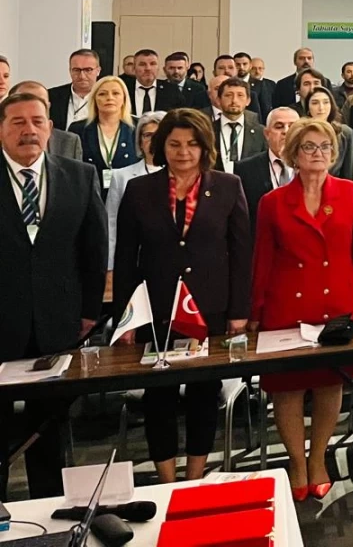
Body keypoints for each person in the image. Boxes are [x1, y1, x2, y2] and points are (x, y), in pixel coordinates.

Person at [111, 107, 250, 482]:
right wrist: (125, 320)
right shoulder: (140, 190)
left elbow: (241, 254)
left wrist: (239, 311)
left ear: (205, 147)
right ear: (162, 146)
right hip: (156, 311)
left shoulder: (228, 186)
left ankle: (194, 478)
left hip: (210, 310)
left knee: (205, 392)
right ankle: (167, 481)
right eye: (174, 144)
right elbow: (125, 258)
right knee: (160, 396)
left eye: (192, 144)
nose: (183, 152)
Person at [250, 118, 353, 500]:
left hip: (337, 304)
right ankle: (296, 462)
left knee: (329, 382)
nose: (318, 154)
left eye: (325, 147)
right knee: (288, 388)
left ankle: (318, 458)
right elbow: (262, 258)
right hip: (287, 306)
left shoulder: (350, 192)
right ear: (293, 154)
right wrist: (255, 310)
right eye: (309, 147)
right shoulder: (272, 202)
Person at [0, 91, 107, 500]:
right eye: (18, 122)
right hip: (1, 323)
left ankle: (48, 511)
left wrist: (89, 312)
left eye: (37, 121)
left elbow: (94, 249)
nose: (29, 130)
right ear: (1, 130)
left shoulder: (79, 175)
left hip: (58, 323)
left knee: (49, 430)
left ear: (50, 127)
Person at [105, 110, 166, 266]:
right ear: (140, 141)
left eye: (159, 135)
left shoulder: (180, 174)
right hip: (134, 259)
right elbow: (111, 224)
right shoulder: (121, 176)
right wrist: (110, 265)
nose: (153, 140)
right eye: (148, 135)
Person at [68, 74, 139, 198]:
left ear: (124, 98)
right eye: (102, 94)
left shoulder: (138, 127)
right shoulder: (78, 129)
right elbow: (71, 167)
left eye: (115, 93)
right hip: (90, 195)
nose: (109, 98)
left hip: (129, 195)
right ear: (94, 99)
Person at [235, 107, 299, 240]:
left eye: (292, 127)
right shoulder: (245, 169)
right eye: (279, 126)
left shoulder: (311, 167)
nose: (286, 131)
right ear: (266, 133)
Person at [11, 80, 84, 161]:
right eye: (27, 102)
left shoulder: (70, 142)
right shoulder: (5, 140)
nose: (35, 107)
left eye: (41, 102)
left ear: (48, 106)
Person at [214, 77, 264, 174]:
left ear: (248, 100)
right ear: (219, 100)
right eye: (228, 95)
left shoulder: (260, 132)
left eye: (240, 95)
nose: (234, 100)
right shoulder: (207, 131)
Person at [305, 86, 353, 181]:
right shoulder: (301, 133)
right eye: (315, 103)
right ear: (308, 107)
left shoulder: (345, 133)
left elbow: (348, 173)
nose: (321, 108)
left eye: (325, 102)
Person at [48, 47, 101, 130]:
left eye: (88, 70)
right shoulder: (51, 96)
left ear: (98, 71)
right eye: (76, 70)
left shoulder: (107, 98)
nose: (82, 76)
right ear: (70, 71)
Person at [125, 49, 166, 116]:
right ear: (134, 68)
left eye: (153, 64)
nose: (148, 68)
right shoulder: (124, 89)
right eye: (142, 64)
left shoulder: (172, 91)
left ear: (158, 68)